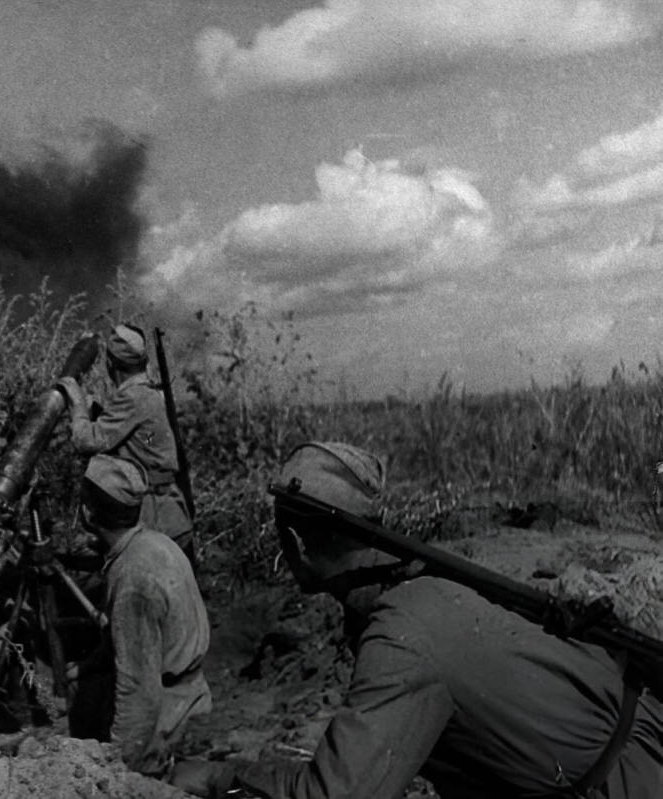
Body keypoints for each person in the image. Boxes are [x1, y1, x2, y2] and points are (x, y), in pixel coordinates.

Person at [175, 441, 663, 798]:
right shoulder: (427, 589)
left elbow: (337, 796)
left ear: (297, 545)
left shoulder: (404, 637)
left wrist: (224, 777)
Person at [68, 454, 211, 780]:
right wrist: (87, 666)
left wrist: (117, 768)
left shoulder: (133, 579)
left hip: (167, 717)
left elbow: (139, 690)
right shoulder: (156, 543)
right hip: (190, 695)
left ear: (89, 513)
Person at [56, 324, 194, 561]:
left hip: (153, 520)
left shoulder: (133, 397)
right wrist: (98, 412)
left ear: (111, 364)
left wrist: (77, 405)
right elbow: (144, 436)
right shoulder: (148, 392)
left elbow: (86, 442)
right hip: (172, 514)